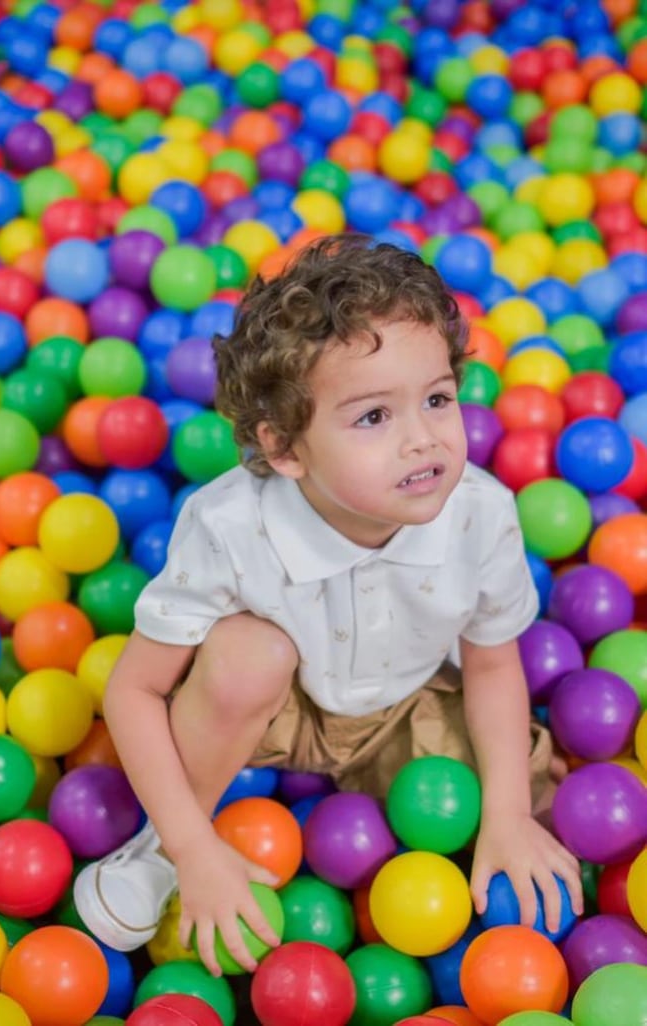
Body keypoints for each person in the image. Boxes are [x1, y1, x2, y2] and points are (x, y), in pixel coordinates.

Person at [74, 233, 583, 976]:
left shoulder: (481, 513)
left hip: (401, 707)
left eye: (438, 399)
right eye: (374, 417)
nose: (423, 440)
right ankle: (154, 851)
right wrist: (192, 847)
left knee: (540, 804)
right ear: (285, 449)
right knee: (250, 654)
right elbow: (135, 689)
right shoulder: (230, 524)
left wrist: (506, 813)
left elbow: (493, 666)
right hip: (276, 709)